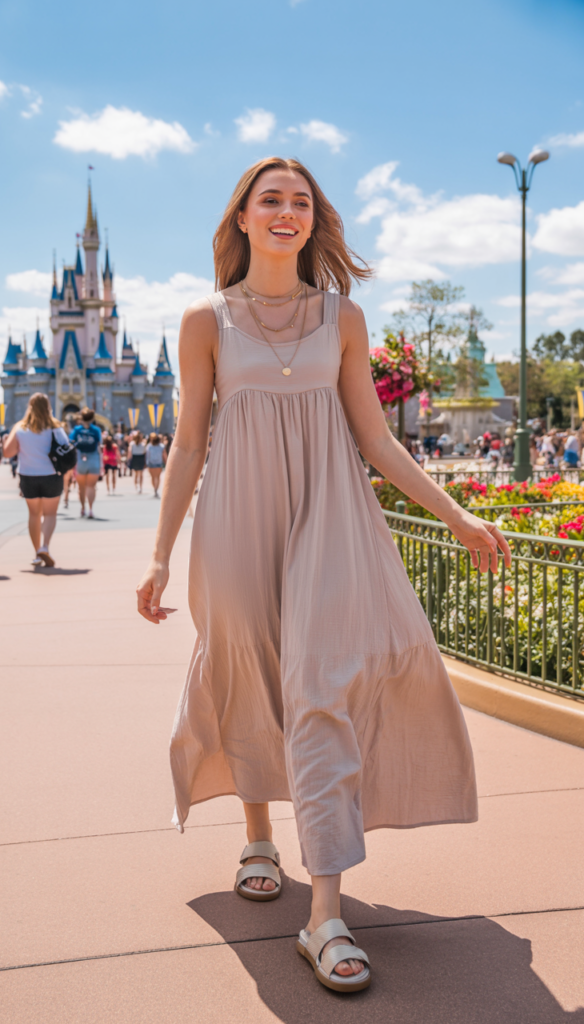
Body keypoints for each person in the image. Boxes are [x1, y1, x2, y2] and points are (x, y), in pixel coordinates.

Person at [135, 157, 511, 995]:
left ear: (314, 221)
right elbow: (188, 442)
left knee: (321, 683)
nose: (286, 212)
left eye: (301, 202)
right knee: (245, 666)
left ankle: (326, 911)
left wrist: (458, 515)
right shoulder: (205, 320)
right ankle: (258, 832)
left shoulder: (343, 316)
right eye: (270, 199)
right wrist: (160, 553)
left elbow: (375, 439)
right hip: (236, 515)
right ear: (242, 217)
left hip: (330, 514)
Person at [2, 392, 68, 567]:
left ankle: (37, 552)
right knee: (50, 514)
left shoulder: (20, 427)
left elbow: (8, 453)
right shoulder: (56, 427)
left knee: (34, 514)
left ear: (29, 407)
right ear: (48, 407)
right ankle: (45, 546)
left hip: (28, 476)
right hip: (52, 475)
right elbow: (67, 450)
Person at [70, 408, 102, 519]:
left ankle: (83, 508)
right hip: (93, 459)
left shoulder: (77, 429)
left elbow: (71, 443)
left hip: (80, 459)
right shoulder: (96, 430)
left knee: (81, 487)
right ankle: (91, 509)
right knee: (91, 486)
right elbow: (99, 446)